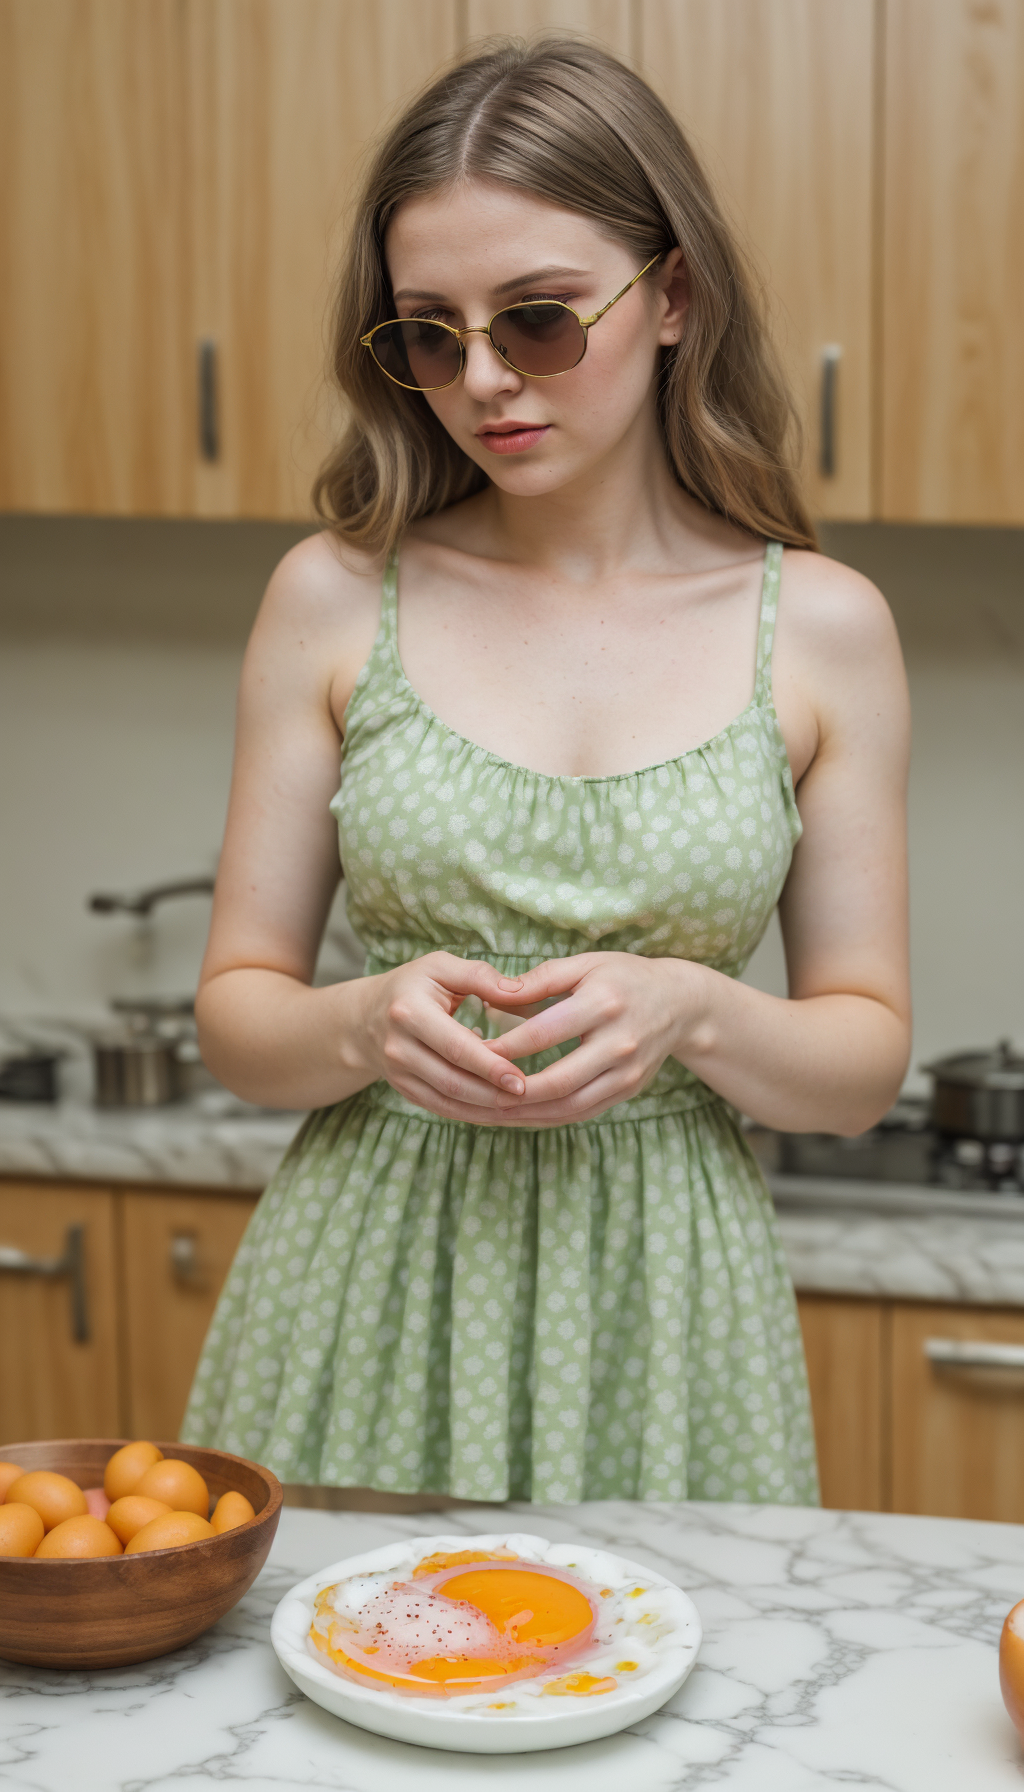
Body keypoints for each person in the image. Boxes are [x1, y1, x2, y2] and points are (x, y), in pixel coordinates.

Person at [181, 37, 910, 1506]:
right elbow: (239, 1017)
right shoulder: (334, 594)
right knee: (334, 1700)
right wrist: (368, 1023)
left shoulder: (824, 629)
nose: (485, 381)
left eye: (538, 320)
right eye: (429, 337)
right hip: (364, 1281)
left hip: (665, 1303)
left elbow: (862, 1063)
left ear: (675, 297)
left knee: (669, 1706)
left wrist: (695, 1012)